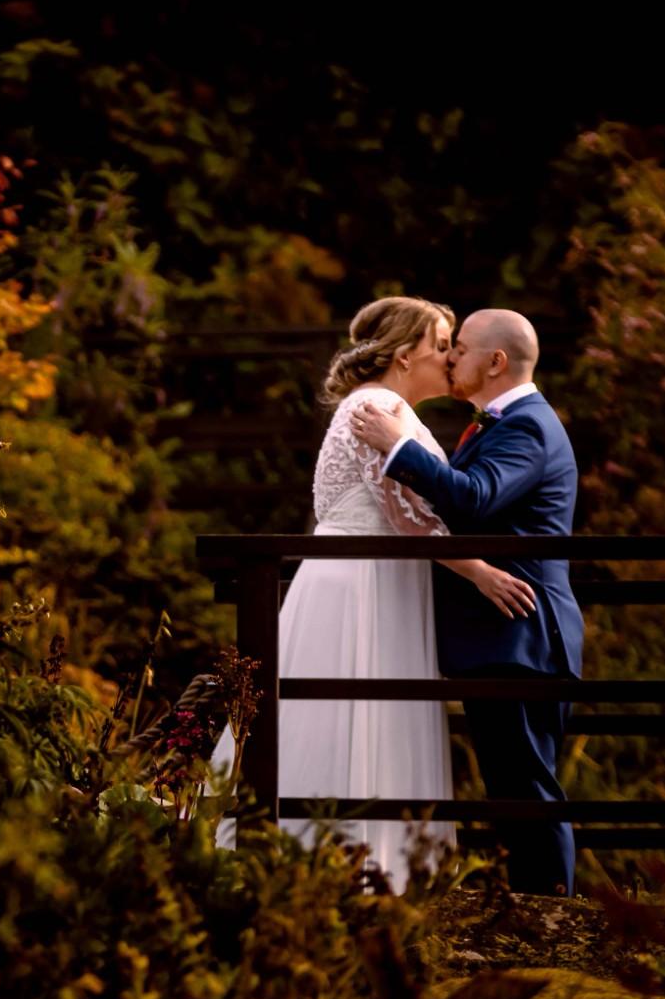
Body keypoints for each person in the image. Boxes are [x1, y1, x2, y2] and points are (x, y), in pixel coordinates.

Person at [214, 296, 536, 890]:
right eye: (441, 345)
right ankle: (346, 866)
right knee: (346, 711)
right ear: (405, 352)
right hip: (360, 584)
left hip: (381, 579)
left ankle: (366, 863)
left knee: (367, 714)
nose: (448, 357)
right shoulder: (377, 406)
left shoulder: (389, 410)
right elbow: (409, 519)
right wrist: (480, 572)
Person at [347, 309, 583, 893]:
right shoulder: (497, 424)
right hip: (501, 636)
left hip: (521, 634)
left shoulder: (527, 425)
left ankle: (554, 913)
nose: (451, 359)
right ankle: (537, 909)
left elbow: (474, 499)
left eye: (463, 349)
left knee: (527, 786)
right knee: (513, 786)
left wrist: (399, 446)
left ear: (496, 361)